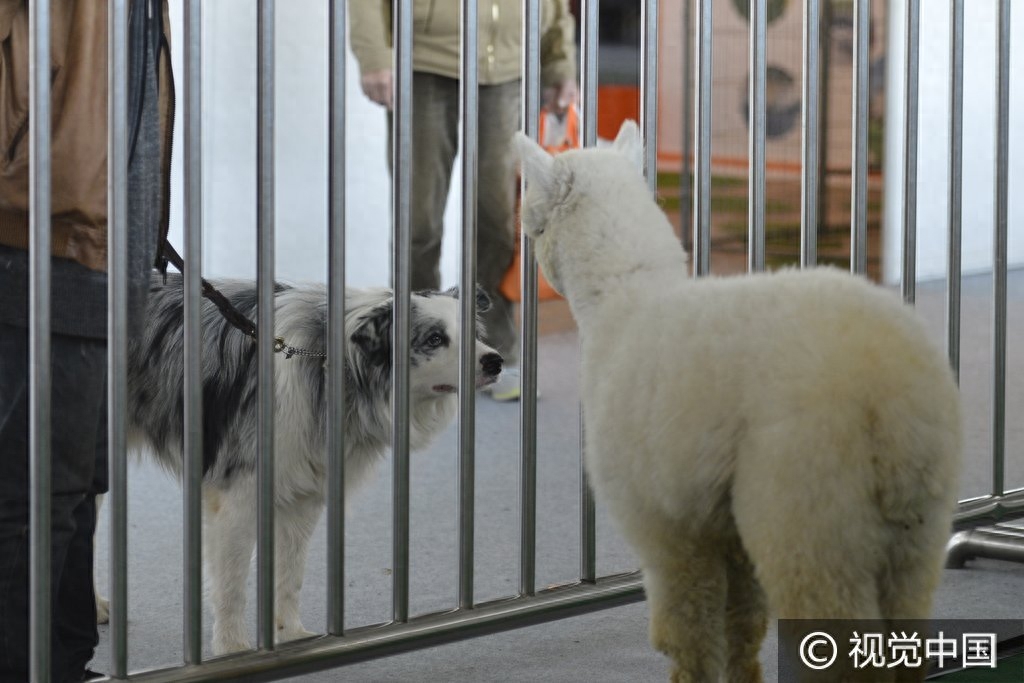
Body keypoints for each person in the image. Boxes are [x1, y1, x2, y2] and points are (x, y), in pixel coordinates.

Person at [0, 2, 173, 681]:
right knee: (33, 493)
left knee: (80, 480)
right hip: (39, 234)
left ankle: (65, 659)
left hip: (108, 246)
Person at [350, 0, 578, 401]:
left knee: (499, 224)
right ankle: (413, 352)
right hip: (423, 64)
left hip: (508, 69)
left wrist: (559, 62)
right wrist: (374, 55)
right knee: (418, 222)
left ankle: (497, 355)